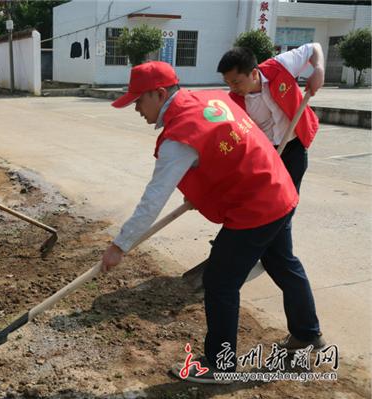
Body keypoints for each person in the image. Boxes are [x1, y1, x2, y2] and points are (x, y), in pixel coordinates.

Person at [100, 62, 324, 384]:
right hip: (279, 189)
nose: (135, 108)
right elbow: (228, 149)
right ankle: (306, 334)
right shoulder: (209, 99)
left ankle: (221, 365)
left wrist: (119, 246)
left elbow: (152, 200)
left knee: (220, 282)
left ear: (160, 93)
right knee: (281, 261)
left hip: (256, 206)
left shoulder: (178, 137)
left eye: (138, 100)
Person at [217, 43, 324, 193]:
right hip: (266, 153)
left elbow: (313, 48)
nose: (233, 88)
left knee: (289, 198)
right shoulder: (234, 103)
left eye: (236, 82)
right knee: (268, 201)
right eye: (228, 83)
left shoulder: (280, 66)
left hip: (295, 146)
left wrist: (319, 69)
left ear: (254, 74)